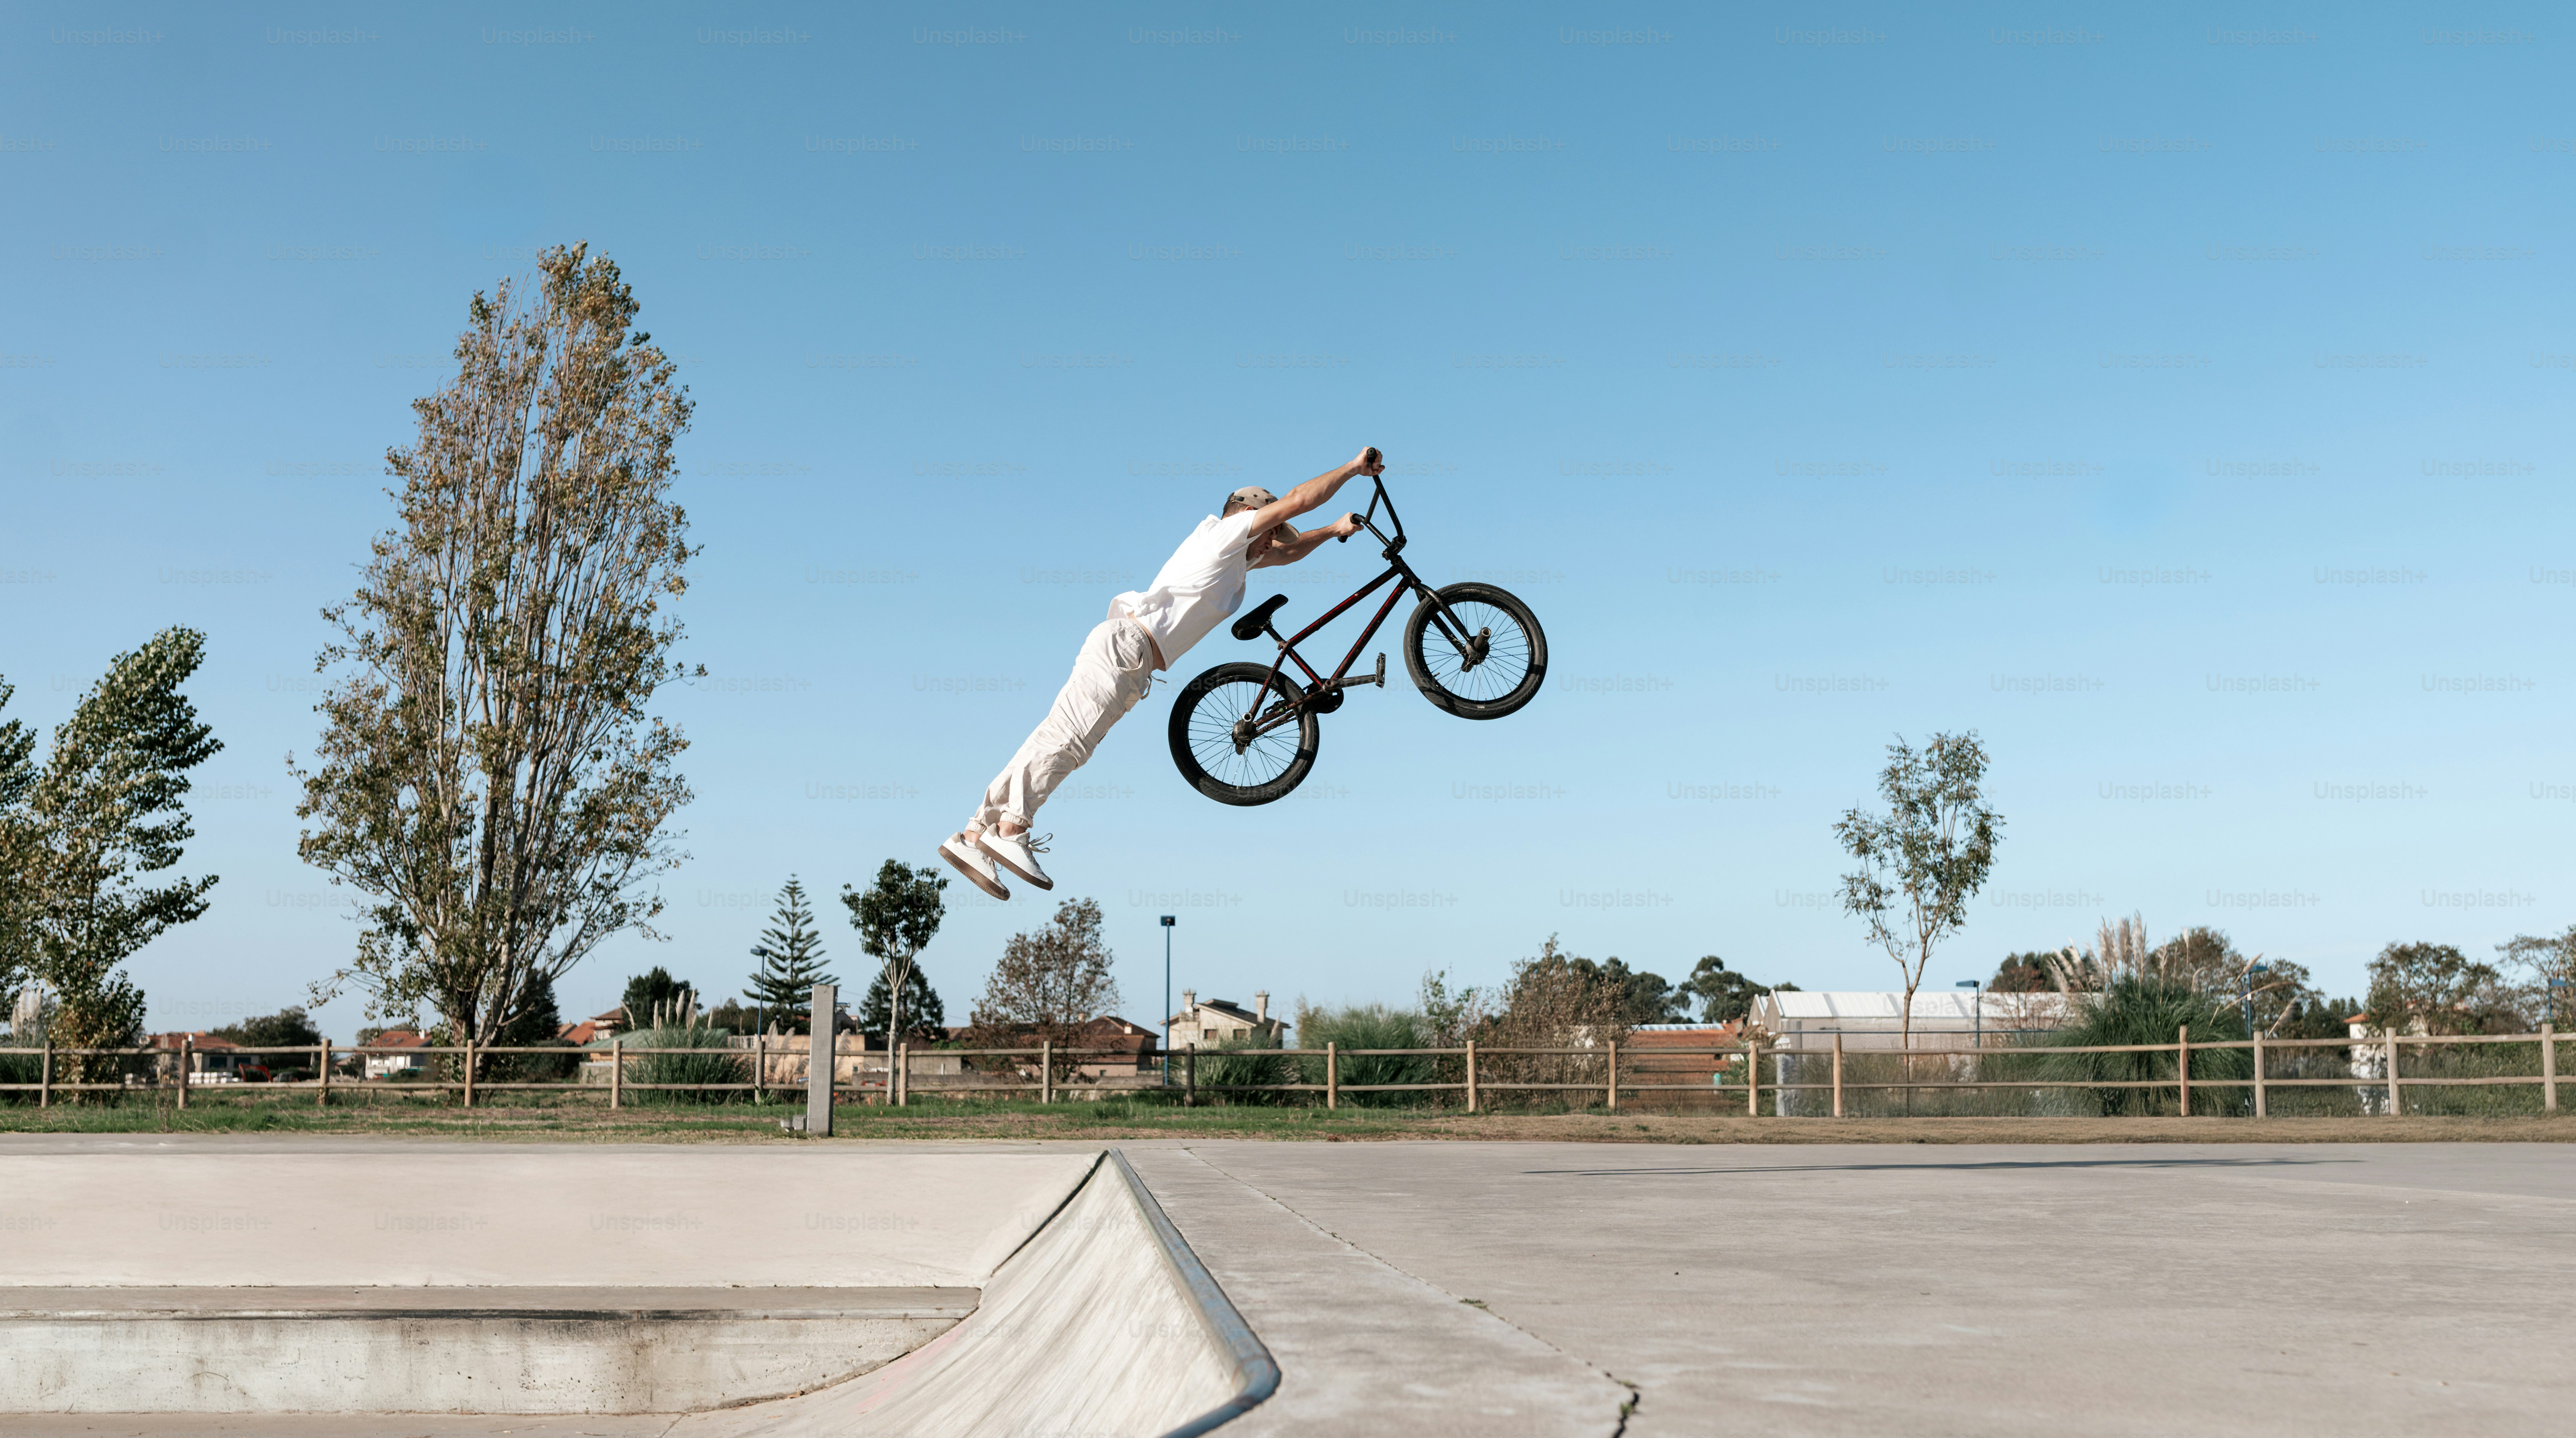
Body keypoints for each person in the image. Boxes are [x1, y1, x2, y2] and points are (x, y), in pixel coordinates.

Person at [941, 446, 1385, 898]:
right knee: (1069, 741)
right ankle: (1012, 828)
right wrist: (1352, 468)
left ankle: (975, 836)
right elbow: (1297, 498)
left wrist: (1332, 530)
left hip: (1124, 649)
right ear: (1252, 514)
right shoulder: (1225, 534)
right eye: (1271, 529)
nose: (1273, 541)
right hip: (1128, 649)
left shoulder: (1235, 560)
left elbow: (1289, 554)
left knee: (1052, 734)